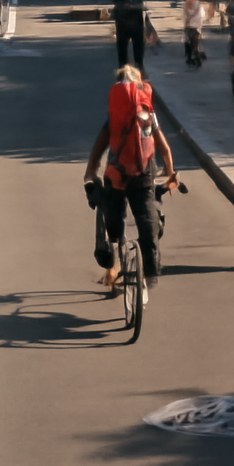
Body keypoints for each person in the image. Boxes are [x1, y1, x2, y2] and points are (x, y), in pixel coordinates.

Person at [83, 66, 179, 298]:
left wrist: (90, 173)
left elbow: (99, 148)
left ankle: (112, 265)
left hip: (116, 175)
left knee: (112, 224)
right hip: (144, 175)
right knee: (148, 220)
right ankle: (149, 273)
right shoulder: (148, 115)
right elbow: (164, 148)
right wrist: (171, 174)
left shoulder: (114, 117)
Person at [111, 0, 146, 73]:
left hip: (135, 27)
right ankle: (125, 68)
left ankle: (137, 66)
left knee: (136, 49)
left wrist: (131, 7)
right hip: (124, 28)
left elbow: (141, 7)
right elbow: (115, 13)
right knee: (123, 49)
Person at [183, 0, 205, 68]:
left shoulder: (189, 3)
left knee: (190, 44)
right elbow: (202, 15)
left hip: (190, 26)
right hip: (196, 27)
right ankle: (193, 59)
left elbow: (187, 14)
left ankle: (194, 60)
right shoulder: (198, 4)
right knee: (193, 44)